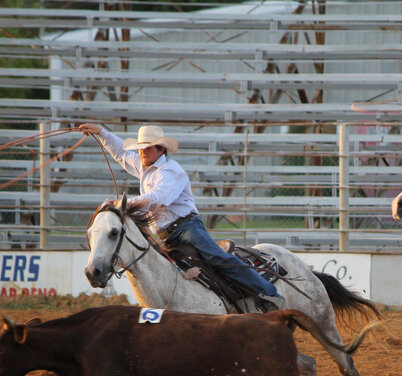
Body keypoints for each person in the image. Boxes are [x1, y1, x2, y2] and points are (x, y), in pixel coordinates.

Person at [78, 123, 285, 311]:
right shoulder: (145, 166)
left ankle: (269, 293)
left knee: (216, 257)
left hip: (187, 229)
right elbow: (121, 152)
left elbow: (158, 198)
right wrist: (101, 133)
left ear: (160, 150)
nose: (142, 151)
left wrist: (125, 203)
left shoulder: (171, 171)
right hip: (166, 234)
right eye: (141, 147)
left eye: (147, 147)